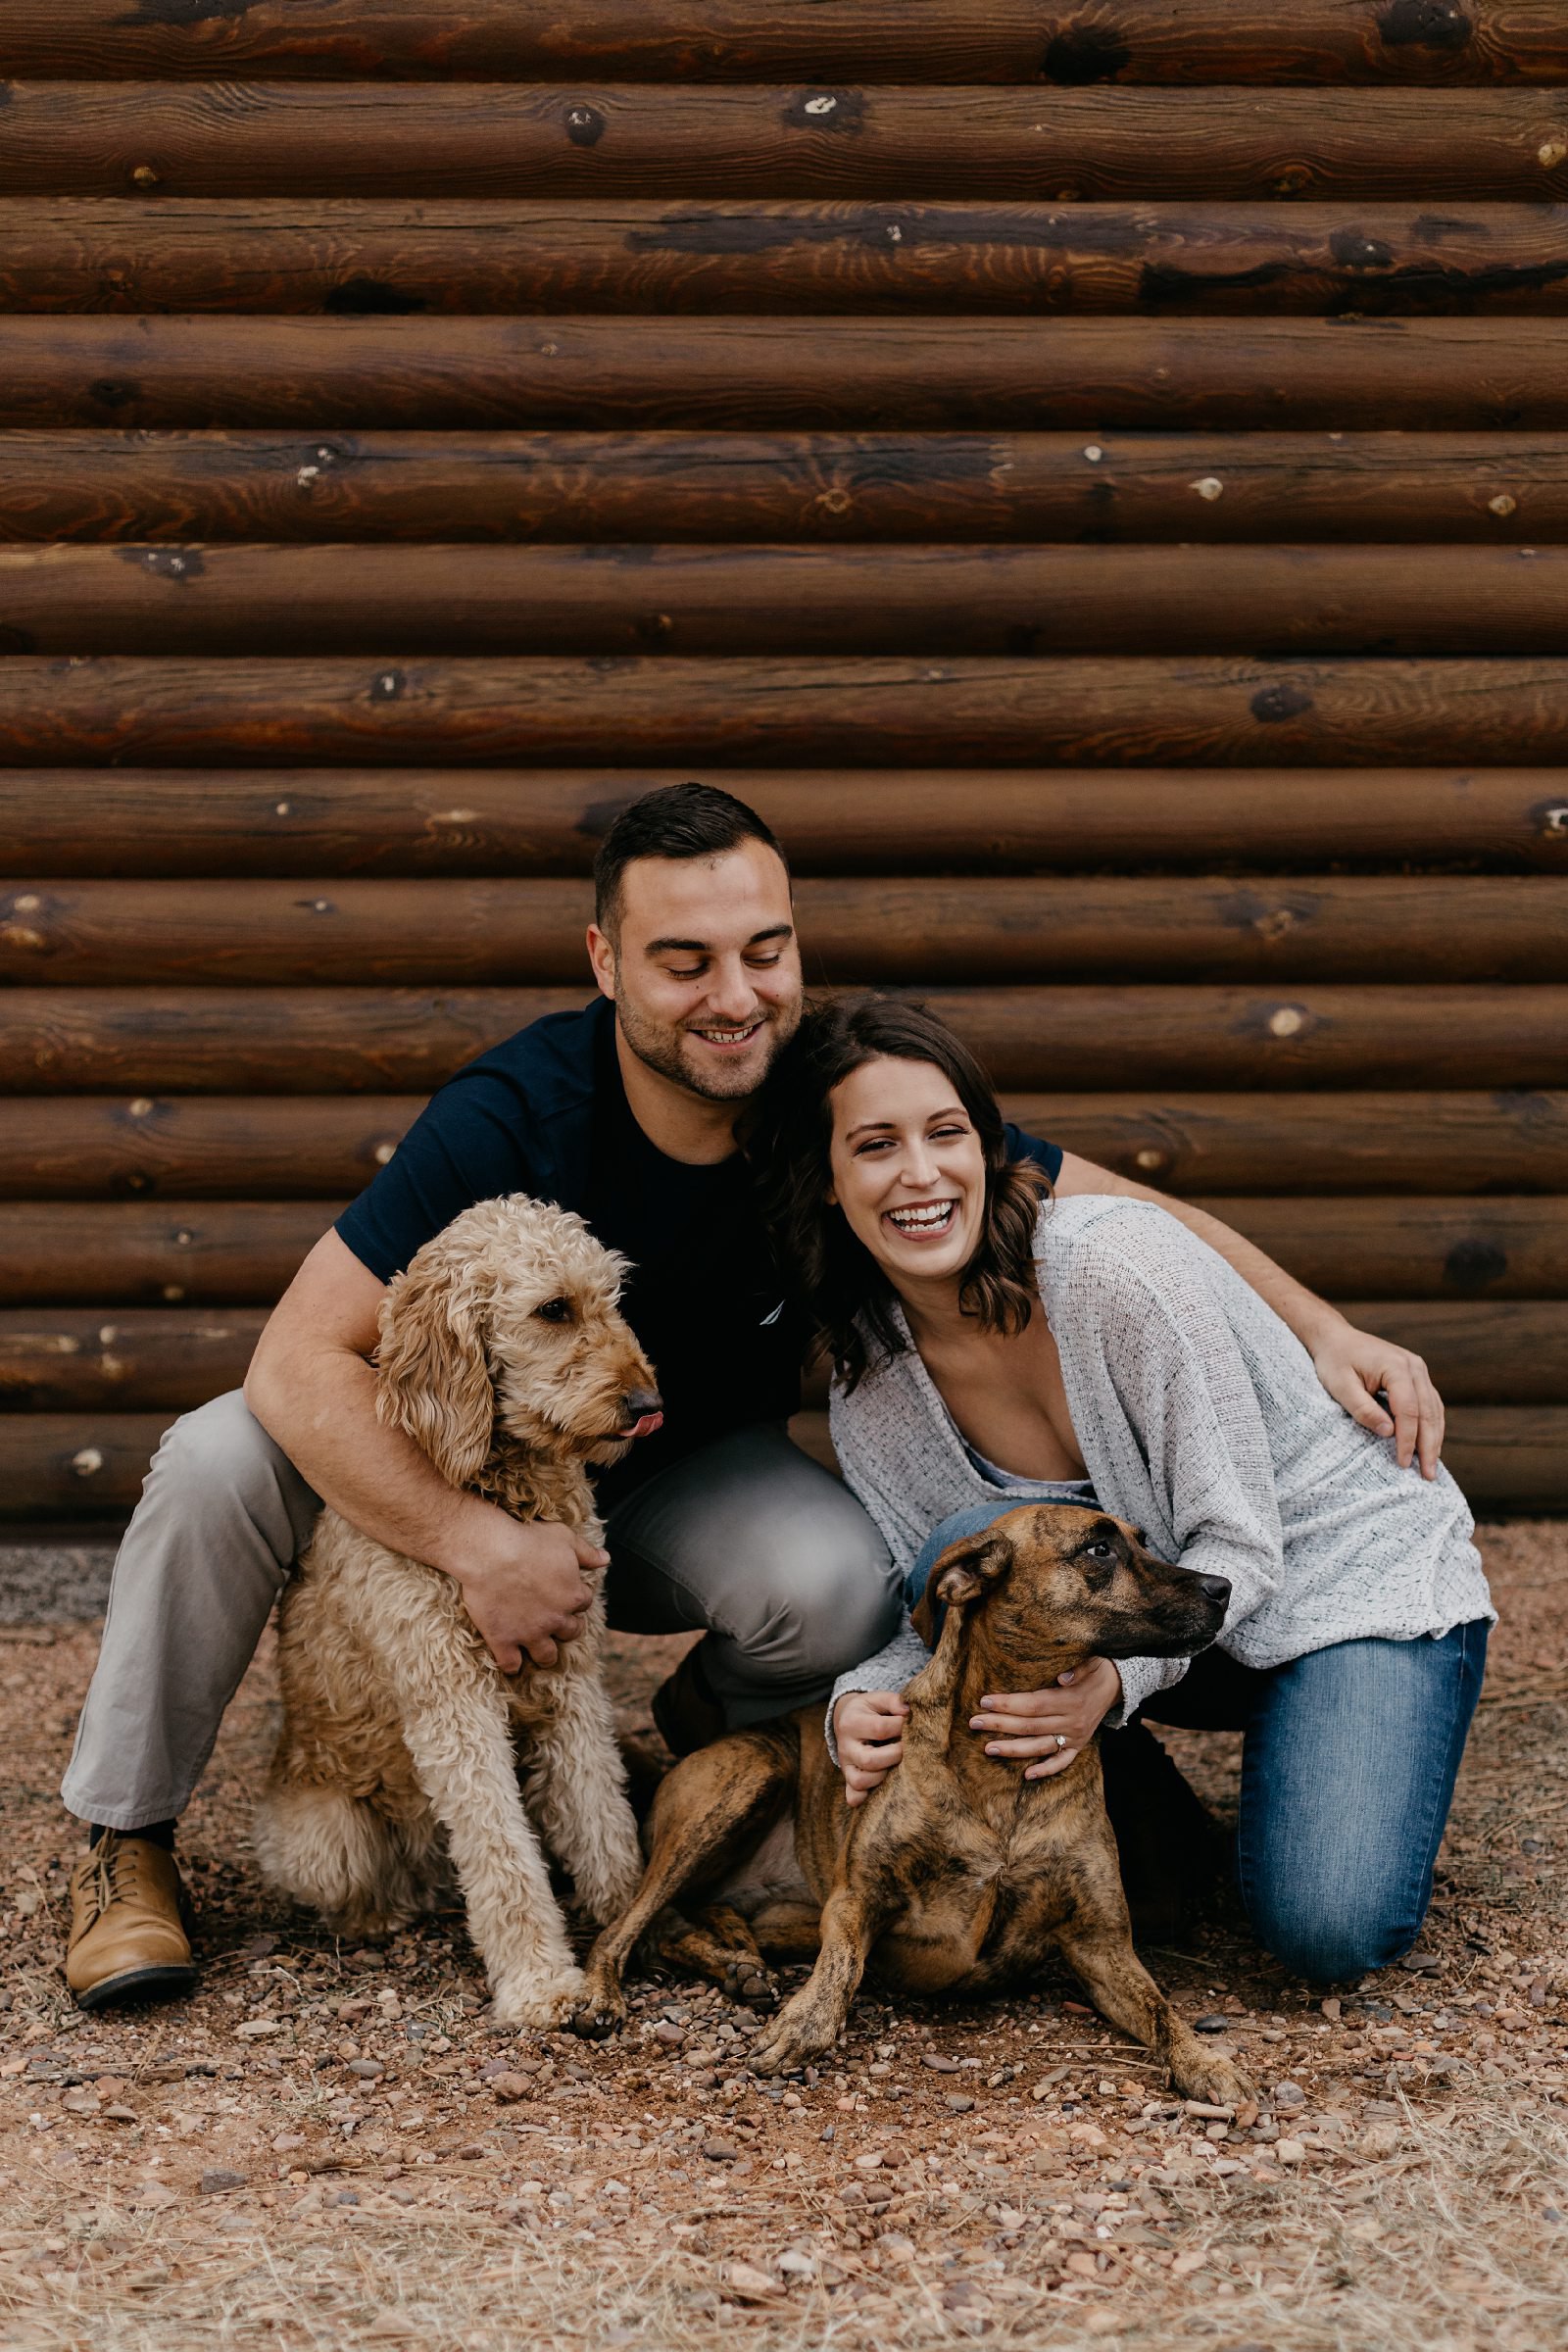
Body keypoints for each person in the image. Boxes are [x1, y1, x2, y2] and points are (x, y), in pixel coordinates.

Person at [62, 785, 1447, 2008]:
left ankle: (710, 1760)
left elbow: (1098, 1203)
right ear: (607, 963)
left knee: (843, 1578)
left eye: (764, 949)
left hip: (674, 1470)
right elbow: (297, 1359)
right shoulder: (513, 1115)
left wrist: (1320, 1325)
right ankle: (124, 1842)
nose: (736, 994)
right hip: (475, 1457)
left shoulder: (835, 1091)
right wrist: (474, 1543)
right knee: (214, 1456)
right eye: (685, 960)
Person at [749, 995, 1492, 1983]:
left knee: (1327, 1929)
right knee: (974, 1541)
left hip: (1337, 1580)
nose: (921, 1175)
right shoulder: (872, 1386)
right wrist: (860, 1699)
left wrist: (1107, 1686)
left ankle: (1344, 1727)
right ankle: (1163, 1825)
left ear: (989, 1149)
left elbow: (1237, 1544)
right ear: (830, 1182)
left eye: (947, 1134)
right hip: (1172, 1623)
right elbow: (937, 1610)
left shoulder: (1113, 1270)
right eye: (876, 1146)